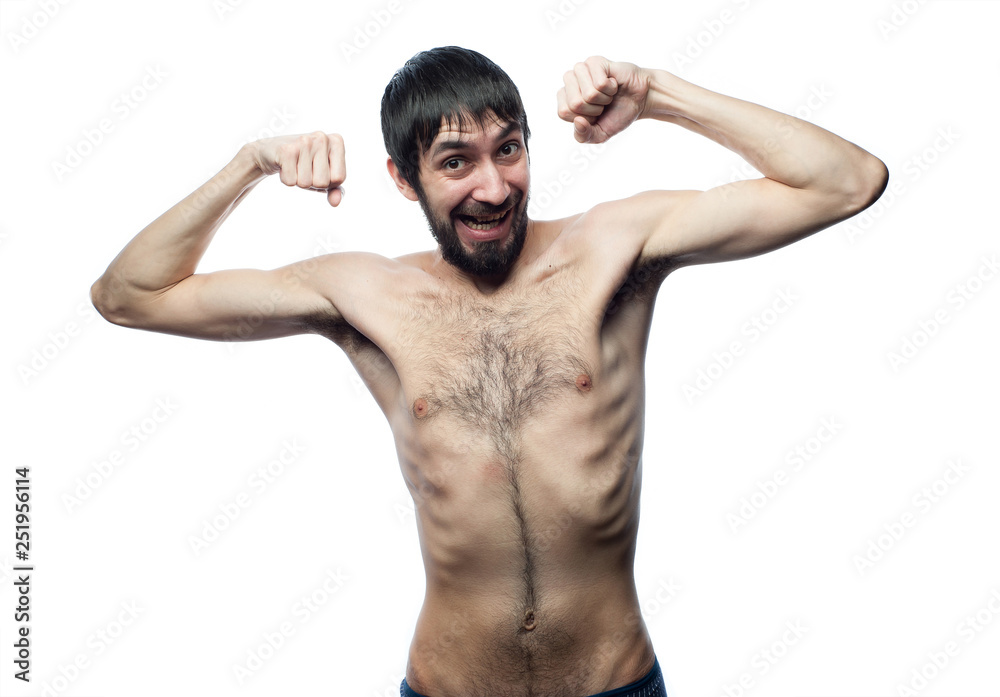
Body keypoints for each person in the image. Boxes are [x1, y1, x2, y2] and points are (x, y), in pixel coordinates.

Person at [91, 46, 887, 697]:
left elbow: (848, 180)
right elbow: (130, 294)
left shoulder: (615, 248)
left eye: (509, 149)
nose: (494, 186)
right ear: (404, 179)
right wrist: (250, 164)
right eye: (456, 162)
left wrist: (660, 96)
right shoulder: (363, 294)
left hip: (614, 684)